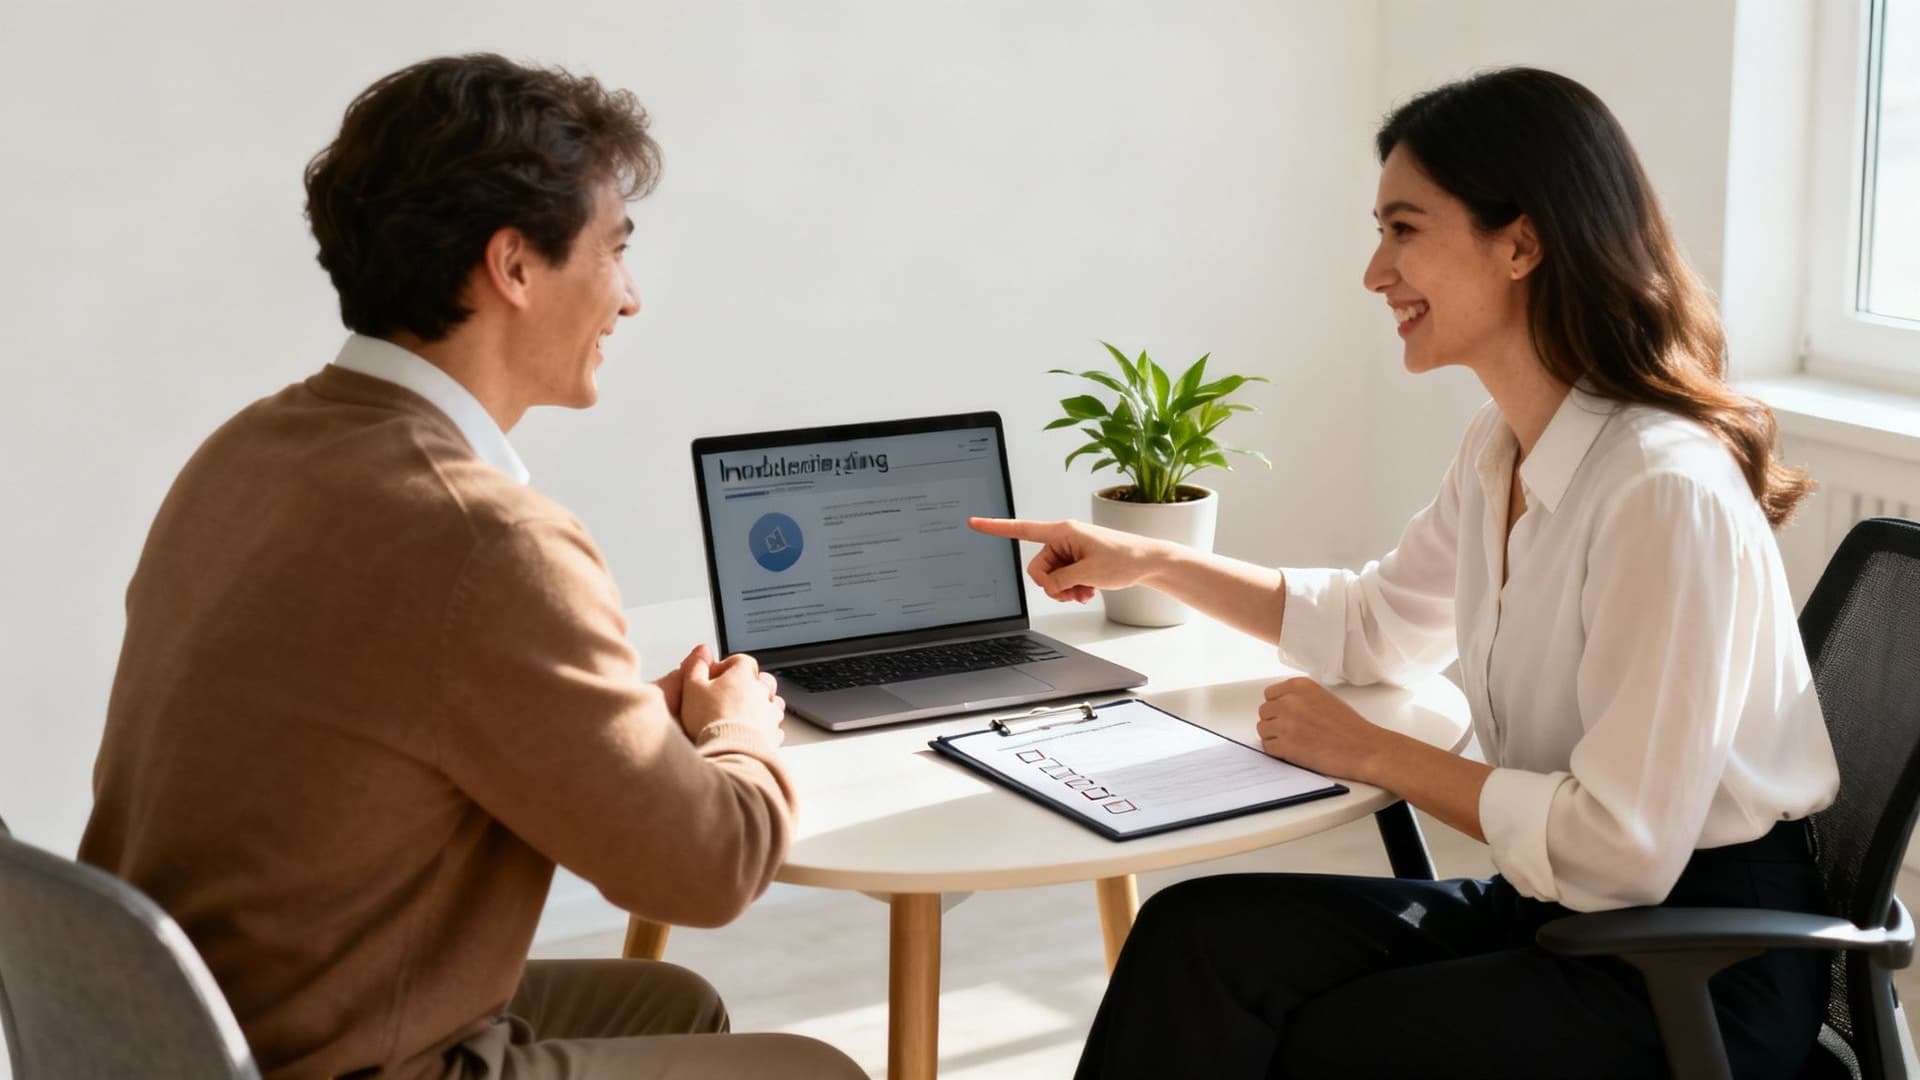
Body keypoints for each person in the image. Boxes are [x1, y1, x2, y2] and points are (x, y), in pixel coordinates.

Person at [973, 67, 1840, 1078]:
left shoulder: (1661, 490)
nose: (1375, 273)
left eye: (1403, 230)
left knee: (1332, 1045)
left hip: (1691, 968)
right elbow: (1372, 625)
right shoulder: (1503, 445)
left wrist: (1374, 751)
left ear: (1520, 242)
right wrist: (1151, 559)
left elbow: (1619, 851)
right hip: (1565, 912)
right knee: (1197, 939)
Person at [79, 54, 864, 1080]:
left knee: (670, 1004)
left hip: (179, 1027)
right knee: (816, 1072)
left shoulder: (247, 449)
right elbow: (713, 869)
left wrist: (627, 726)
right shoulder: (487, 537)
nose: (628, 299)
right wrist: (738, 736)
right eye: (613, 252)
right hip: (335, 1057)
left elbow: (392, 714)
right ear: (514, 266)